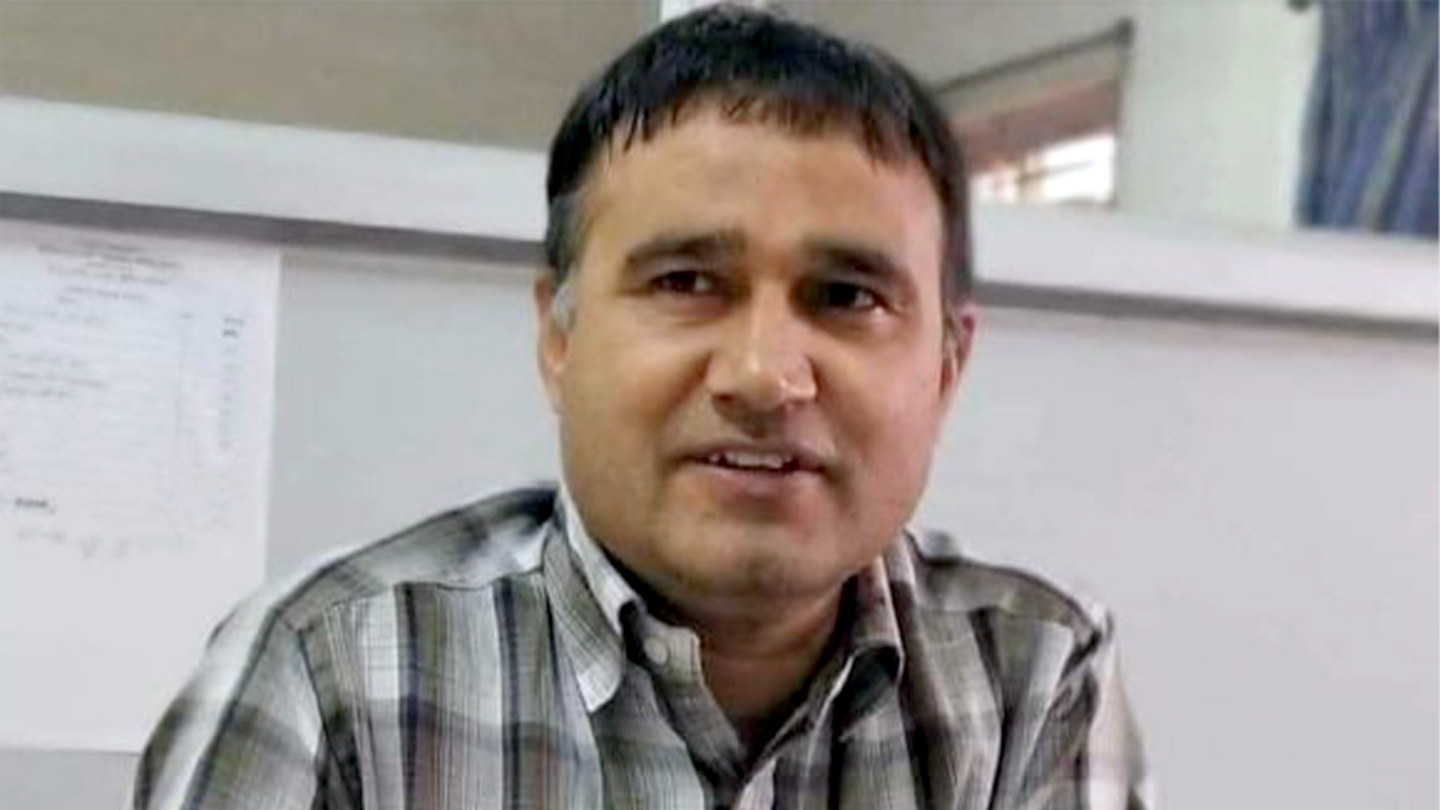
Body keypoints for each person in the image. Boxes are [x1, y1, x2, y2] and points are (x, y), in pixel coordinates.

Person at [134, 6, 1152, 809]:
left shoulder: (1034, 675)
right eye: (685, 282)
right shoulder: (332, 679)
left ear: (946, 367)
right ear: (560, 337)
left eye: (846, 297)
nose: (763, 376)